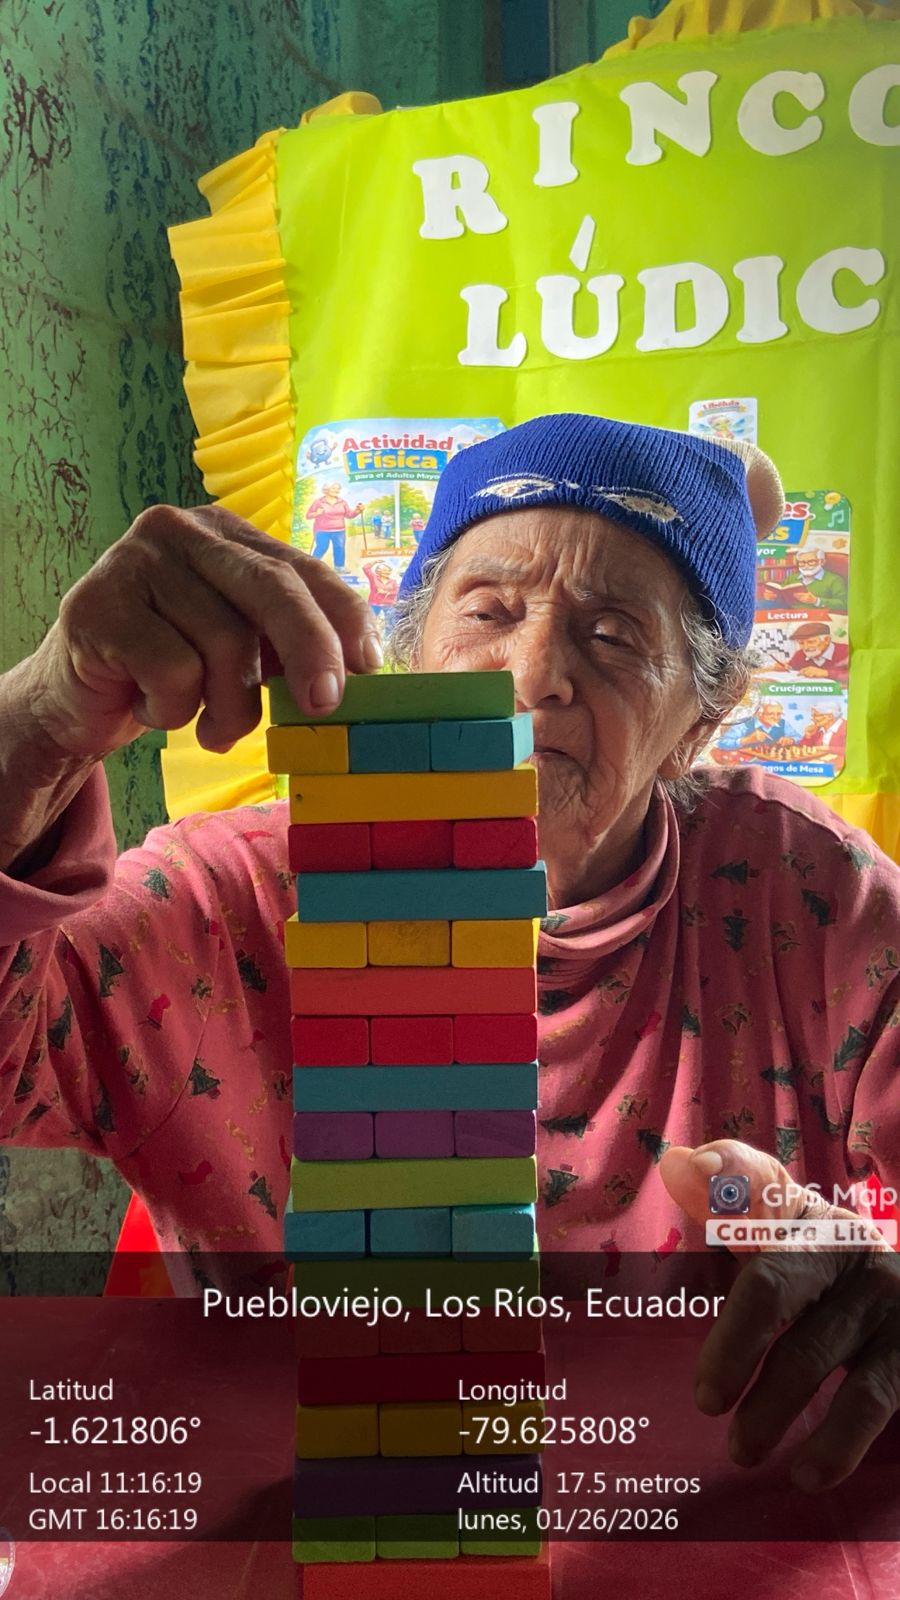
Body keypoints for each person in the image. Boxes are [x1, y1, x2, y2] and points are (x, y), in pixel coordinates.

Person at [1, 414, 897, 1493]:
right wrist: (38, 721)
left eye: (613, 635)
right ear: (412, 652)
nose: (533, 673)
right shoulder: (228, 900)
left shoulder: (812, 900)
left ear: (698, 725)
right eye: (488, 611)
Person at [305, 481, 362, 570]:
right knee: (322, 547)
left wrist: (357, 511)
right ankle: (310, 566)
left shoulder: (342, 502)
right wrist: (316, 513)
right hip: (322, 530)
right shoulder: (319, 502)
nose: (336, 490)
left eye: (338, 489)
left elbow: (349, 515)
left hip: (339, 530)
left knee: (339, 548)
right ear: (326, 489)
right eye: (333, 488)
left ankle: (339, 567)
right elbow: (308, 516)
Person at [773, 620, 849, 679]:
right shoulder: (800, 654)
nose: (805, 647)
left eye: (811, 642)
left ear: (827, 640)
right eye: (801, 643)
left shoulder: (846, 651)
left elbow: (855, 675)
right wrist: (786, 667)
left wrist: (825, 673)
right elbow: (792, 669)